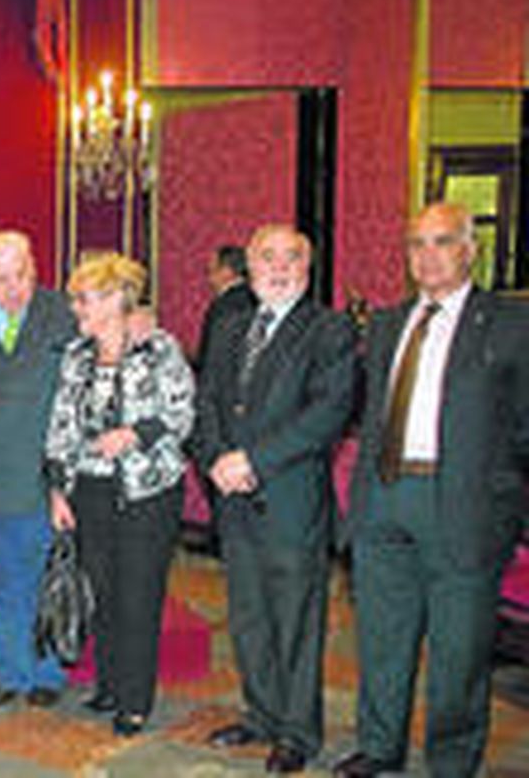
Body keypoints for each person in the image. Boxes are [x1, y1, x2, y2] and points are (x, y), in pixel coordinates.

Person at [334, 203, 529, 778]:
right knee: (382, 640)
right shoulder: (391, 322)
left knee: (459, 654)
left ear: (470, 250)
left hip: (463, 507)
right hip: (387, 497)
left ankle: (451, 761)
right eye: (416, 243)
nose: (427, 255)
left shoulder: (511, 324)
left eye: (442, 241)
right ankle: (379, 745)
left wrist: (501, 499)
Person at [194, 225, 356, 773]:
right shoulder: (231, 326)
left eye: (292, 258)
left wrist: (253, 461)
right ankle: (261, 714)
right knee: (248, 620)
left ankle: (298, 732)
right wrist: (215, 456)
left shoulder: (328, 329)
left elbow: (328, 413)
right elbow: (207, 401)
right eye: (267, 257)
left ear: (307, 270)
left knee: (296, 624)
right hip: (233, 501)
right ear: (250, 267)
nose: (279, 267)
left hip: (290, 504)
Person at [45, 251, 194, 738]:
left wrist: (133, 434)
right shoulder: (76, 355)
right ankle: (108, 684)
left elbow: (182, 413)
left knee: (138, 595)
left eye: (84, 299)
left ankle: (134, 699)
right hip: (89, 488)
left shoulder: (158, 348)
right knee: (103, 592)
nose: (77, 309)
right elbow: (61, 426)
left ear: (114, 299)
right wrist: (57, 489)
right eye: (75, 300)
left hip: (148, 491)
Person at [0, 230, 74, 710]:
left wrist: (64, 481)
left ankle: (46, 673)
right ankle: (10, 672)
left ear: (35, 266)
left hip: (41, 477)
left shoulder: (63, 316)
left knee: (41, 575)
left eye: (19, 274)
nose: (12, 288)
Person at [195, 243, 255, 367]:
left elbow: (213, 354)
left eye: (211, 271)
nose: (209, 279)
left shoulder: (224, 305)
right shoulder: (256, 298)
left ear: (226, 271)